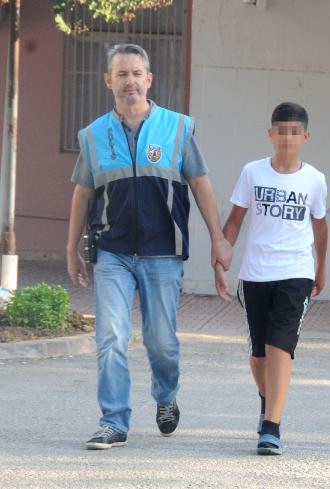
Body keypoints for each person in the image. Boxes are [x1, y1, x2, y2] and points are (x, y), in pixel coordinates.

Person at [66, 44, 232, 450]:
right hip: (113, 252)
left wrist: (218, 238)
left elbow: (200, 184)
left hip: (163, 252)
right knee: (111, 336)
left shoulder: (177, 128)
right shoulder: (94, 136)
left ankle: (165, 396)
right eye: (122, 74)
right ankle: (113, 421)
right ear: (108, 81)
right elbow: (82, 193)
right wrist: (71, 249)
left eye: (137, 73)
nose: (130, 81)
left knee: (161, 343)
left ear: (149, 79)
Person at [214, 102, 328, 455]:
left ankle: (272, 427)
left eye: (295, 132)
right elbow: (235, 220)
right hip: (255, 273)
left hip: (295, 272)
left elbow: (320, 226)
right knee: (259, 354)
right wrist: (221, 256)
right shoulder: (252, 172)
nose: (287, 138)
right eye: (281, 131)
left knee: (281, 345)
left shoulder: (315, 179)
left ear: (306, 137)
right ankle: (268, 401)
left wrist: (321, 268)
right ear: (270, 134)